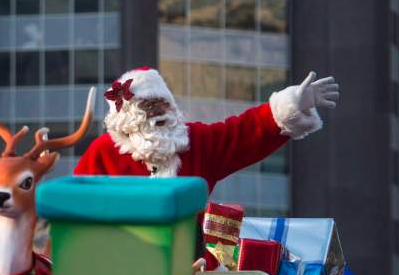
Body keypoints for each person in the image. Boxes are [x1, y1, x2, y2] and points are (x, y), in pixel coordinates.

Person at [75, 67, 338, 191]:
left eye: (162, 103)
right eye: (147, 105)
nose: (157, 111)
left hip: (191, 263)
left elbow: (242, 133)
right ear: (127, 115)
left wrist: (290, 105)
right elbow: (74, 204)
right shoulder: (103, 151)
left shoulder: (195, 142)